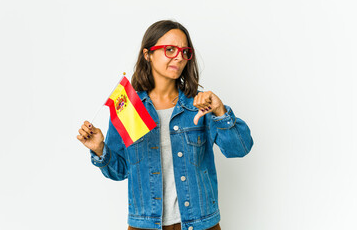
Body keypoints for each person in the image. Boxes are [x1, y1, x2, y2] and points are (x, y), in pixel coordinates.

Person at [77, 20, 254, 230]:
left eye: (184, 51)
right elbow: (120, 171)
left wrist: (220, 111)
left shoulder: (199, 104)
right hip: (145, 225)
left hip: (199, 224)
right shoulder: (129, 108)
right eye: (169, 50)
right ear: (147, 54)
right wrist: (99, 149)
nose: (179, 57)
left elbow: (240, 149)